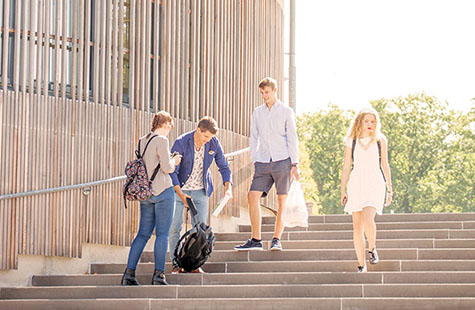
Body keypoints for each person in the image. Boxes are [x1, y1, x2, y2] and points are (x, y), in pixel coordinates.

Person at [234, 77, 299, 252]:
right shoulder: (257, 112)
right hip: (262, 161)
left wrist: (294, 163)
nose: (264, 96)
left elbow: (292, 138)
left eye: (267, 92)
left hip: (283, 160)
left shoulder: (286, 112)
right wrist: (255, 158)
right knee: (252, 196)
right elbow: (253, 137)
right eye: (262, 93)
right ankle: (256, 239)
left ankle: (276, 239)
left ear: (275, 90)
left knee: (281, 200)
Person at [121, 111, 182, 286]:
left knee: (142, 234)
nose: (170, 130)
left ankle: (129, 275)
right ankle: (158, 275)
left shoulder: (142, 140)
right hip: (162, 191)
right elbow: (167, 168)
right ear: (165, 124)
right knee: (162, 234)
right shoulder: (162, 140)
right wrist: (175, 161)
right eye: (170, 126)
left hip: (145, 193)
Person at [169, 116, 232, 273]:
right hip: (179, 190)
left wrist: (228, 187)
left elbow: (223, 166)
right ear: (198, 130)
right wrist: (181, 194)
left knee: (199, 229)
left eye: (210, 137)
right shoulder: (182, 142)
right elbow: (172, 172)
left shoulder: (213, 143)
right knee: (174, 228)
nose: (207, 140)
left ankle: (193, 264)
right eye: (205, 136)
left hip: (200, 191)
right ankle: (176, 263)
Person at [340, 107, 392, 272]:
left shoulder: (380, 140)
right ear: (360, 122)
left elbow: (385, 164)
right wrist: (343, 189)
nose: (370, 124)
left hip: (375, 182)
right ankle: (361, 265)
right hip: (356, 182)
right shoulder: (351, 140)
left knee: (368, 218)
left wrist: (390, 188)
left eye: (373, 121)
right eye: (367, 121)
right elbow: (347, 166)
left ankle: (372, 248)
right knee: (357, 225)